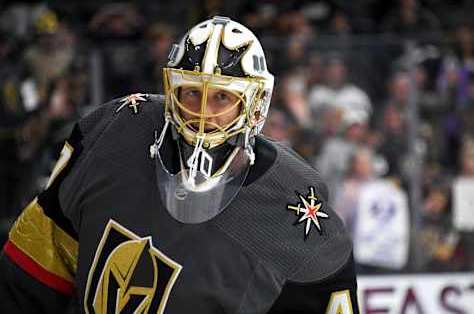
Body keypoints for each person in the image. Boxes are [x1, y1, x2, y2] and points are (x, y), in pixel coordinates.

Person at [0, 16, 359, 313]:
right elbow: (32, 274)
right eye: (192, 93)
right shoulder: (115, 133)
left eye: (222, 97)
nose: (204, 112)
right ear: (171, 92)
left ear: (255, 105)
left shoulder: (294, 208)